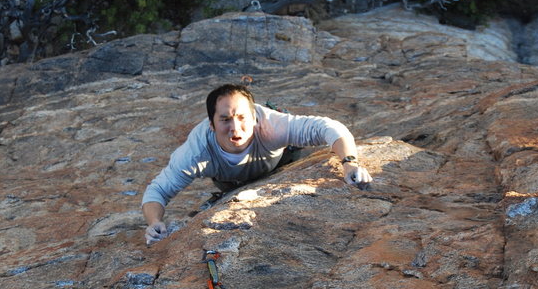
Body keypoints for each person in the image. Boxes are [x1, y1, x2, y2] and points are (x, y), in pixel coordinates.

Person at [141, 84, 372, 245]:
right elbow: (158, 190)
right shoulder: (196, 151)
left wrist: (349, 162)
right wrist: (154, 222)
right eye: (224, 120)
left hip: (281, 163)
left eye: (242, 117)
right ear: (211, 124)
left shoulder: (272, 125)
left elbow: (330, 128)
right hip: (231, 182)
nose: (235, 127)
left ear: (255, 118)